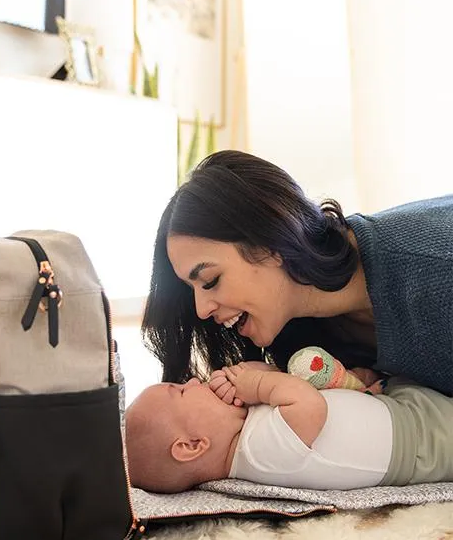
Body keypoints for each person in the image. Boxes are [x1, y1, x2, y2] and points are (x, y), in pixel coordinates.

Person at [141, 150, 453, 396]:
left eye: (210, 280)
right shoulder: (302, 337)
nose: (201, 309)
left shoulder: (433, 264)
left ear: (269, 242)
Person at [125, 362, 453, 494]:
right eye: (181, 389)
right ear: (192, 445)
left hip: (398, 407)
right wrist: (256, 384)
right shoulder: (257, 453)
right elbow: (310, 406)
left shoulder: (247, 431)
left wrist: (244, 374)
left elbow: (276, 375)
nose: (195, 380)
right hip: (423, 443)